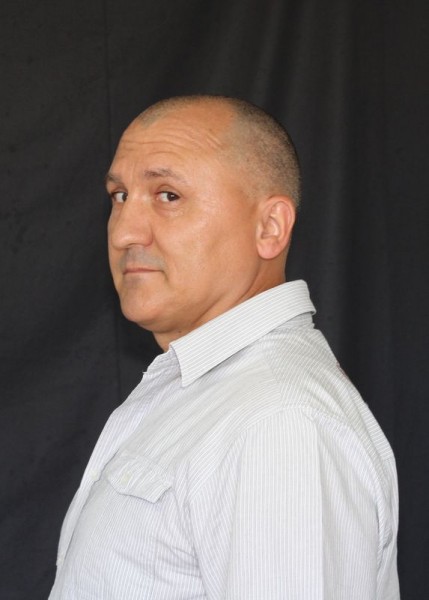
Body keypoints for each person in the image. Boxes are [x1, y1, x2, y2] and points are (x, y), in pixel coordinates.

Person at [49, 95, 399, 599]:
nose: (124, 231)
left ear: (269, 228)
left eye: (168, 195)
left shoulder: (277, 424)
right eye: (119, 195)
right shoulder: (218, 395)